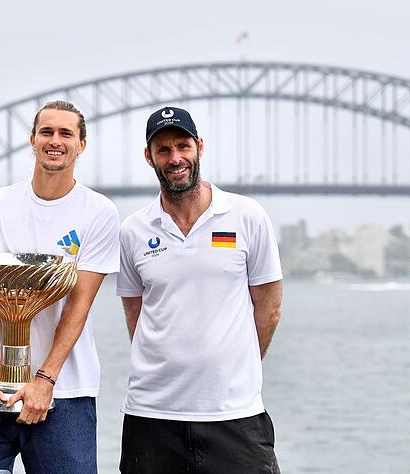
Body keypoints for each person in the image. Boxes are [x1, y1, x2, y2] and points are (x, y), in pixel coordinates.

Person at [0, 101, 120, 474]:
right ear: (32, 139)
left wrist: (45, 379)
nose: (55, 141)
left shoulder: (99, 212)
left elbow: (79, 306)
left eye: (65, 133)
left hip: (65, 388)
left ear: (82, 144)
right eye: (46, 132)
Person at [116, 107, 283, 473]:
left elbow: (268, 310)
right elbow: (136, 315)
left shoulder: (247, 216)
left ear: (199, 147)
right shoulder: (133, 230)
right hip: (152, 416)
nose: (175, 158)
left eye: (183, 146)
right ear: (149, 157)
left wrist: (231, 368)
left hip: (234, 414)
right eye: (163, 149)